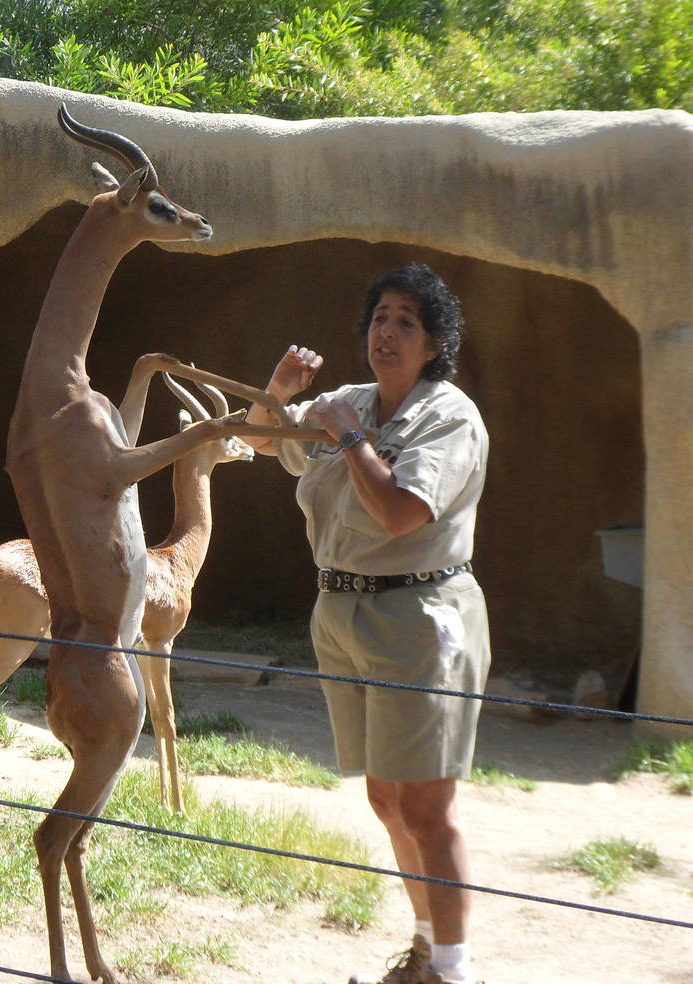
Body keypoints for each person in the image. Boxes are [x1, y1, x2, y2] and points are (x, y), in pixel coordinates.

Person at [246, 263, 490, 984]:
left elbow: (399, 513)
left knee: (426, 804)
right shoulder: (348, 400)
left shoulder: (449, 417)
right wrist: (277, 394)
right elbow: (266, 442)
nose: (387, 331)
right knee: (385, 797)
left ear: (434, 342)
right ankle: (422, 952)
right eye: (380, 316)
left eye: (406, 321)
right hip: (343, 611)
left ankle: (453, 971)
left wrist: (350, 436)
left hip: (419, 615)